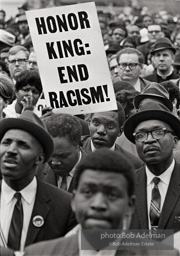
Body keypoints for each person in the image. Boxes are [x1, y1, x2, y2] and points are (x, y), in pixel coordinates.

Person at [24, 149, 178, 256]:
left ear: (130, 205)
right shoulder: (38, 254)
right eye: (88, 192)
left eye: (112, 194)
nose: (98, 204)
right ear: (74, 200)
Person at [0, 111, 77, 251]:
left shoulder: (66, 206)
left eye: (23, 145)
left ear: (40, 159)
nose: (11, 150)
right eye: (6, 142)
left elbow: (115, 242)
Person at [124, 101, 180, 233]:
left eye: (158, 132)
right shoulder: (124, 185)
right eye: (140, 135)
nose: (149, 140)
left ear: (175, 141)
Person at [81, 102, 143, 170]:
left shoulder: (133, 165)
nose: (101, 131)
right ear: (89, 124)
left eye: (110, 126)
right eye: (96, 123)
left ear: (120, 131)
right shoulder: (74, 150)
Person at [36, 113, 86, 192]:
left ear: (78, 145)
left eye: (63, 156)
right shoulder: (36, 170)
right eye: (50, 155)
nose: (55, 162)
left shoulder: (98, 173)